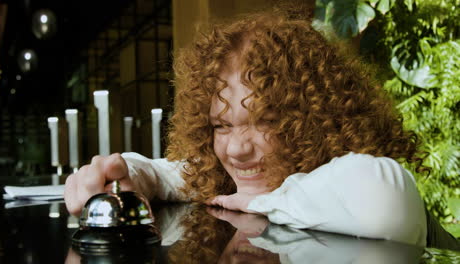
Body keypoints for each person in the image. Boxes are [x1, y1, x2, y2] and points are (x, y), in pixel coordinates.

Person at [64, 3, 459, 249]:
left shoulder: (354, 181)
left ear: (317, 119)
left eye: (266, 120)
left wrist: (260, 203)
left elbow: (382, 199)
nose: (236, 149)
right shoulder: (241, 174)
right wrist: (134, 174)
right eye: (221, 125)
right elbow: (185, 173)